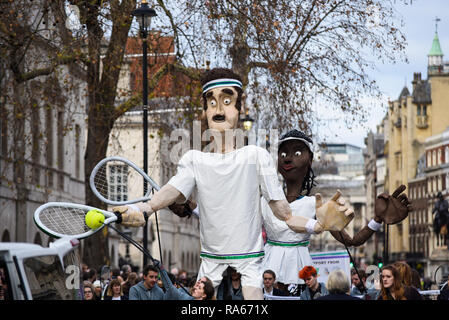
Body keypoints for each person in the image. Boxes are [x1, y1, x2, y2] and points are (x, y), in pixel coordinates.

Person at [113, 68, 355, 299]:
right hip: (210, 258)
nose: (219, 109)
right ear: (204, 111)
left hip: (250, 259)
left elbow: (285, 214)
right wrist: (144, 209)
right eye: (211, 102)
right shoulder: (194, 160)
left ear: (239, 108)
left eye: (227, 101)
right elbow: (173, 188)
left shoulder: (255, 156)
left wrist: (318, 224)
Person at [262, 129, 412, 290]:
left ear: (310, 160)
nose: (288, 159)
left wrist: (377, 219)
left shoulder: (314, 204)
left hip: (299, 270)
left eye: (297, 152)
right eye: (283, 154)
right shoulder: (264, 201)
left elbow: (351, 241)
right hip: (266, 269)